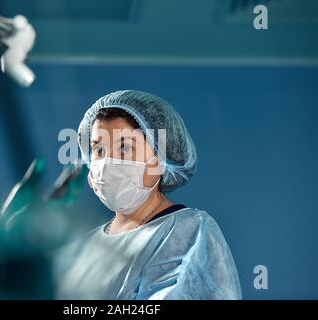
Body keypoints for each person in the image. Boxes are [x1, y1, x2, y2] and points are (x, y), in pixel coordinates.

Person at [54, 90, 242, 299]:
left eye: (125, 147)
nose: (107, 163)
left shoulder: (190, 231)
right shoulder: (85, 246)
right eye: (99, 150)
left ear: (159, 158)